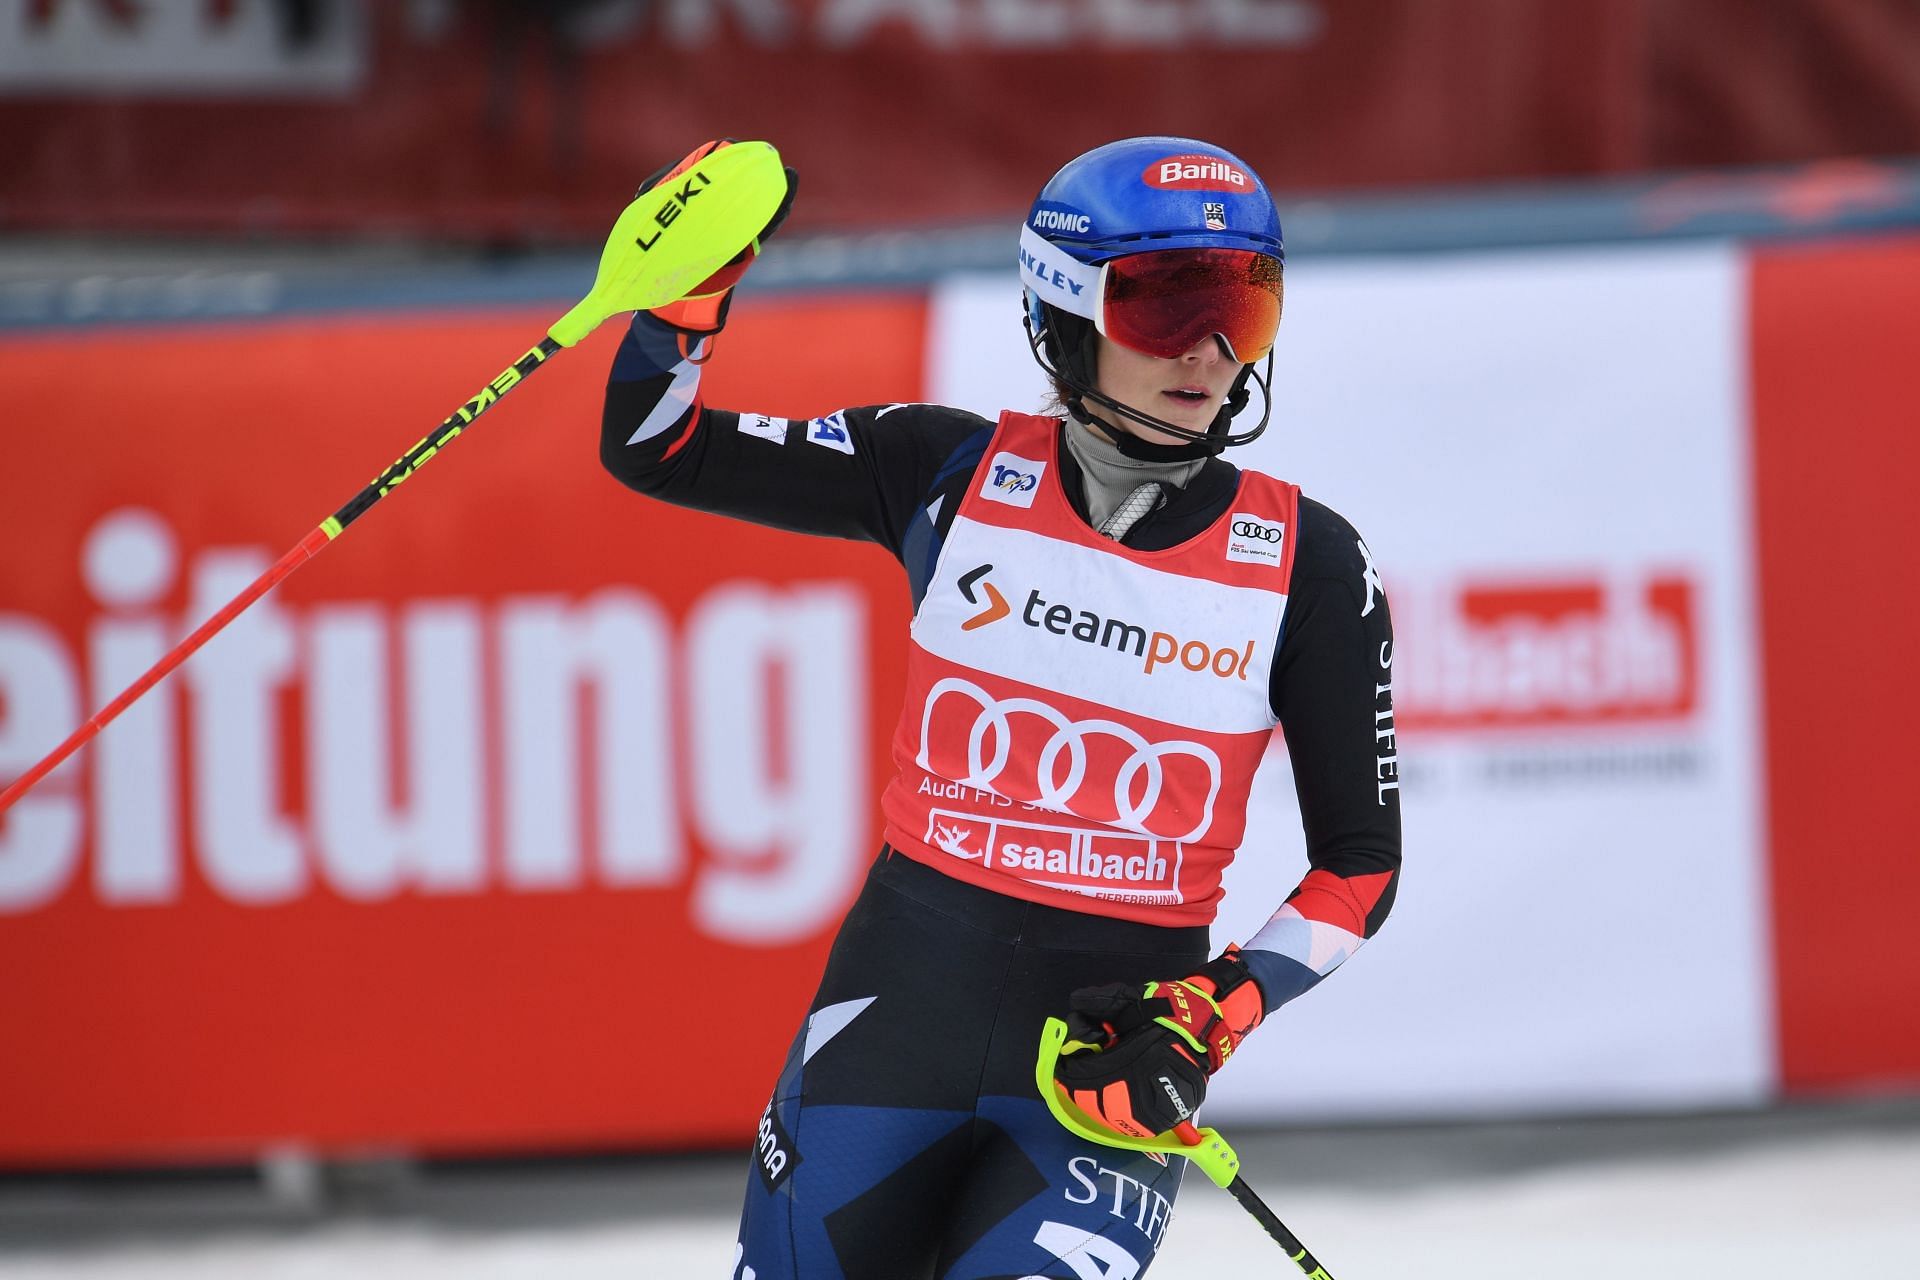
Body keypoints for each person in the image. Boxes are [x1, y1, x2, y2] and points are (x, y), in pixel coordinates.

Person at [602, 136, 1401, 1280]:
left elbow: (1360, 866)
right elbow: (654, 446)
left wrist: (1210, 1007)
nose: (1213, 353)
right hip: (895, 1017)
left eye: (1244, 309)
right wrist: (686, 297)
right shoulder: (944, 470)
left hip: (1101, 1058)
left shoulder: (1309, 562)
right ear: (1068, 316)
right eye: (1167, 307)